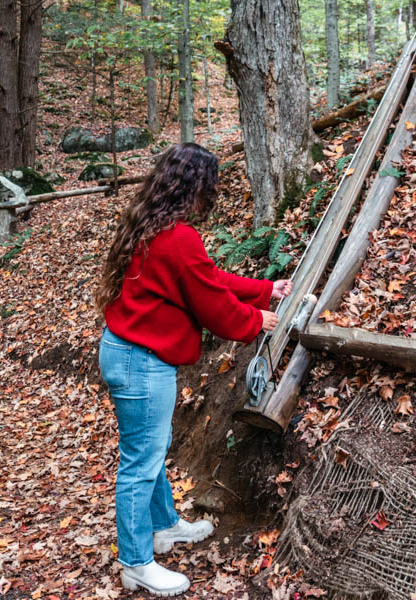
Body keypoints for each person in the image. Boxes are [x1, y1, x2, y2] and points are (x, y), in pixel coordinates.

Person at [95, 142, 293, 596]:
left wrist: (264, 290)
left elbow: (207, 278)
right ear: (197, 188)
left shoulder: (151, 225)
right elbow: (213, 306)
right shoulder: (178, 236)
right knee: (140, 462)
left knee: (151, 448)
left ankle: (163, 527)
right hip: (139, 362)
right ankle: (136, 562)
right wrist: (253, 320)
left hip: (128, 352)